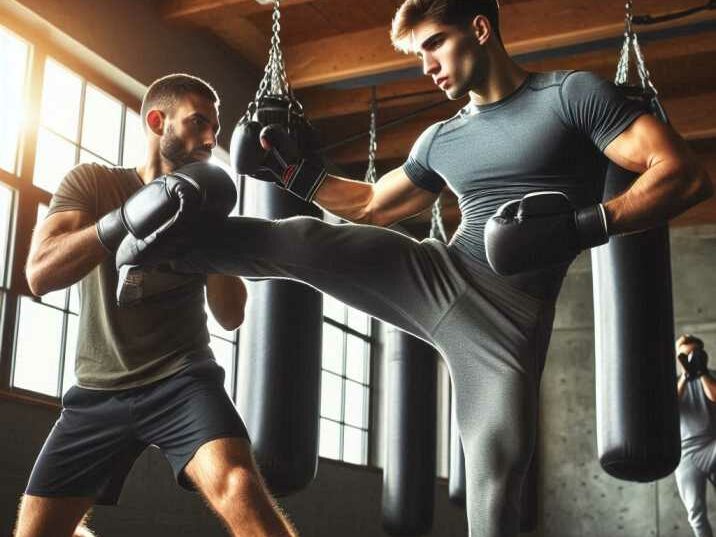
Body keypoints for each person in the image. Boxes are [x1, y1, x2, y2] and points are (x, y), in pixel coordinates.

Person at [114, 2, 713, 537]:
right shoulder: (441, 138)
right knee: (304, 240)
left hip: (508, 329)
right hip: (442, 278)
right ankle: (159, 246)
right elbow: (372, 204)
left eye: (433, 44)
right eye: (418, 53)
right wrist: (294, 175)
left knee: (495, 488)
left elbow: (682, 174)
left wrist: (587, 225)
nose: (426, 65)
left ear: (479, 29)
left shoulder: (571, 97)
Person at [15, 74, 298, 537]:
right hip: (96, 390)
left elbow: (231, 316)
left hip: (182, 380)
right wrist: (122, 222)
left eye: (216, 127)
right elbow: (39, 273)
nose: (211, 138)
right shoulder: (94, 183)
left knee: (239, 487)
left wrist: (212, 234)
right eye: (198, 122)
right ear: (156, 120)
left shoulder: (205, 204)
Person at [676, 335, 716, 537]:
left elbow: (714, 396)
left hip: (713, 445)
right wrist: (686, 375)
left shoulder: (712, 375)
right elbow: (670, 406)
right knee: (695, 512)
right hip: (686, 454)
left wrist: (701, 373)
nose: (689, 359)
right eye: (684, 356)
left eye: (694, 355)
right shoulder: (672, 384)